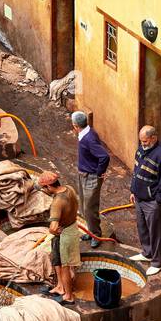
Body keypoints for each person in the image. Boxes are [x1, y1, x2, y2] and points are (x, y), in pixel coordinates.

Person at [129, 124, 161, 277]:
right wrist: (133, 190)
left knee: (155, 232)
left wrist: (159, 200)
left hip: (152, 201)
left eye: (145, 141)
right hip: (139, 198)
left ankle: (157, 262)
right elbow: (136, 171)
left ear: (154, 138)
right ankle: (147, 253)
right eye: (141, 141)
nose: (142, 144)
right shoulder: (141, 150)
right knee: (142, 227)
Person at [71, 110, 112, 250]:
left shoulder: (88, 138)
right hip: (83, 174)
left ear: (75, 125)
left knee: (90, 208)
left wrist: (100, 172)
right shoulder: (86, 133)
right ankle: (90, 231)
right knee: (83, 206)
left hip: (91, 176)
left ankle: (96, 235)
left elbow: (104, 156)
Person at [38, 171, 80, 303]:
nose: (44, 191)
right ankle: (60, 287)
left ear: (49, 187)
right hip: (71, 226)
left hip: (64, 234)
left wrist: (52, 231)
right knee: (56, 258)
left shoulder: (57, 202)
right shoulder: (69, 189)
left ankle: (68, 296)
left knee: (65, 265)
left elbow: (53, 227)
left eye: (44, 188)